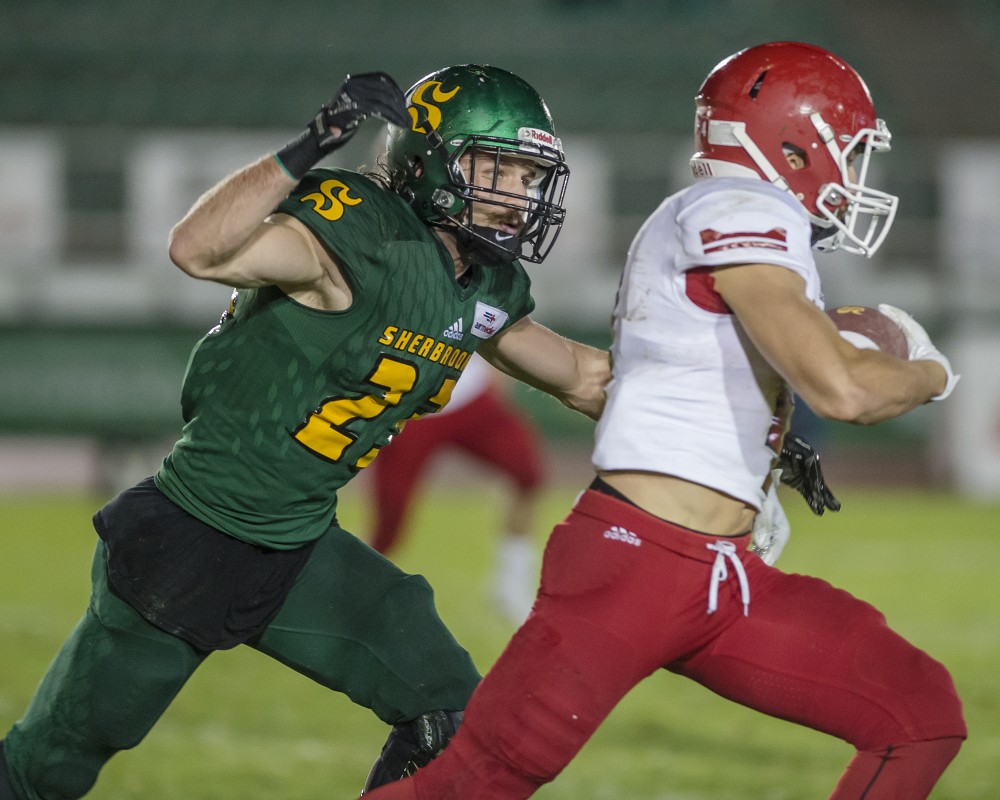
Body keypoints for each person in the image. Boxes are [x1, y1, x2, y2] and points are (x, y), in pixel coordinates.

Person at [359, 41, 966, 800]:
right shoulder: (740, 208)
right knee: (473, 784)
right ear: (792, 142)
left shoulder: (731, 219)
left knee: (920, 711)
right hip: (637, 564)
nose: (852, 171)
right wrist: (933, 371)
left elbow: (687, 377)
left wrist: (754, 461)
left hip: (721, 573)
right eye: (847, 149)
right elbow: (842, 390)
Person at [0, 65, 612, 800]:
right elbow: (200, 250)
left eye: (527, 173)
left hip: (299, 546)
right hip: (193, 537)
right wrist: (307, 148)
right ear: (430, 161)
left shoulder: (482, 283)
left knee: (450, 710)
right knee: (47, 769)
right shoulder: (357, 229)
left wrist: (749, 410)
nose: (518, 194)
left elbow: (582, 377)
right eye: (500, 167)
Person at [366, 352, 547, 624]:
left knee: (527, 473)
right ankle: (351, 590)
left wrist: (497, 374)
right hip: (408, 407)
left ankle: (511, 579)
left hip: (469, 395)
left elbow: (496, 321)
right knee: (390, 519)